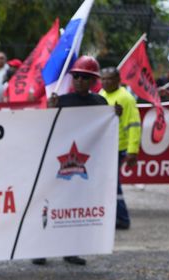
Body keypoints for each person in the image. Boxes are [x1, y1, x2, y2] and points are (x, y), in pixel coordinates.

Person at [36, 55, 108, 267]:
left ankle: (71, 250)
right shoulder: (61, 101)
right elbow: (47, 128)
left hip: (84, 165)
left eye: (84, 77)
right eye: (76, 76)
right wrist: (50, 111)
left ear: (93, 81)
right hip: (59, 163)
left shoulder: (100, 103)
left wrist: (115, 115)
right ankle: (40, 249)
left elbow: (105, 130)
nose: (79, 80)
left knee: (76, 208)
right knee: (51, 205)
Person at [99, 66, 140, 230]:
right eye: (103, 79)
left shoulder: (126, 98)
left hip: (119, 147)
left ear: (118, 80)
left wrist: (132, 151)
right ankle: (113, 216)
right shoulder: (101, 95)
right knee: (108, 184)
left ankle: (122, 218)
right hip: (106, 147)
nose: (106, 82)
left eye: (109, 79)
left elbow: (134, 125)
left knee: (112, 184)